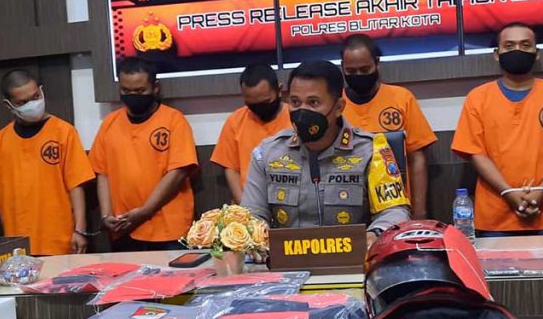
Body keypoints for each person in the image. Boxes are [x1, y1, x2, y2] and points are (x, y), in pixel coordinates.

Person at [241, 60, 410, 246]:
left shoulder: (371, 151)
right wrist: (257, 235)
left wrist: (375, 234)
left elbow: (394, 212)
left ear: (338, 107)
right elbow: (252, 215)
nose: (302, 112)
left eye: (313, 103)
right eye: (295, 102)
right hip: (287, 259)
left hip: (354, 258)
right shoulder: (266, 154)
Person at [452, 22, 543, 236]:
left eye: (525, 45)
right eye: (509, 46)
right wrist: (508, 192)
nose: (517, 50)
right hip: (496, 215)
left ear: (536, 53)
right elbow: (475, 153)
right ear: (497, 54)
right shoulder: (477, 98)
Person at [90, 57, 197, 251]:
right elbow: (102, 173)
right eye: (126, 91)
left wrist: (145, 211)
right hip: (124, 228)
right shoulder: (109, 124)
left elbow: (178, 173)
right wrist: (106, 215)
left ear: (155, 87)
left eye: (139, 91)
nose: (132, 96)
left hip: (167, 230)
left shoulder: (174, 120)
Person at [0, 69, 95, 255]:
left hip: (58, 240)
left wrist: (80, 230)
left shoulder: (64, 132)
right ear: (8, 105)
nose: (32, 104)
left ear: (41, 91)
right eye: (23, 102)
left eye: (35, 96)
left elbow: (76, 185)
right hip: (17, 243)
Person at [340, 34, 437, 218]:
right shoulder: (335, 105)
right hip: (347, 206)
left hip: (396, 207)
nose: (358, 75)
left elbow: (417, 158)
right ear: (342, 68)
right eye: (351, 71)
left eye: (364, 69)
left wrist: (419, 213)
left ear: (377, 63)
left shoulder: (401, 98)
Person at [210, 64, 291, 204]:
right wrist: (246, 207)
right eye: (253, 105)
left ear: (279, 90)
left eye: (265, 102)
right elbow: (231, 169)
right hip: (249, 202)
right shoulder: (235, 121)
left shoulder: (295, 118)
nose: (260, 110)